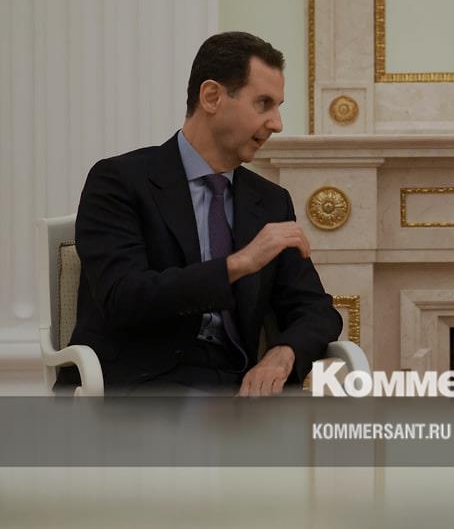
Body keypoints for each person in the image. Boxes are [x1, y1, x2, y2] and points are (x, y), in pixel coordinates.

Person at [62, 31, 342, 396]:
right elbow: (124, 297)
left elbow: (316, 309)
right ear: (211, 97)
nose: (277, 123)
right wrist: (238, 264)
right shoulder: (120, 181)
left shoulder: (271, 201)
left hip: (235, 388)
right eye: (263, 104)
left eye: (278, 107)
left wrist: (284, 353)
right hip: (141, 387)